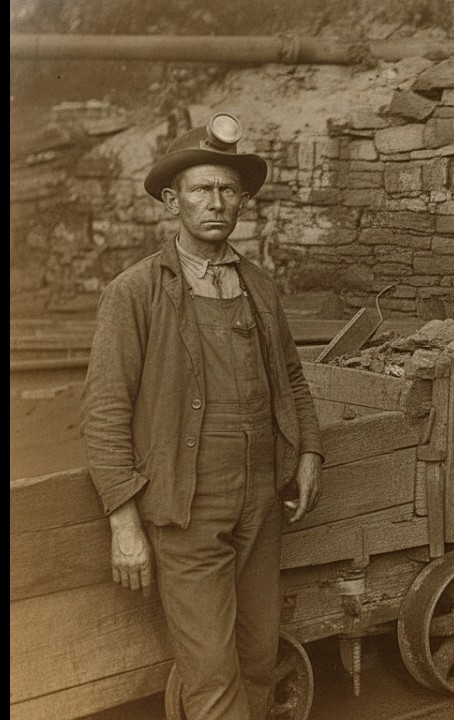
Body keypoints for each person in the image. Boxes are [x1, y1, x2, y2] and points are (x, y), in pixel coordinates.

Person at [81, 113, 323, 720]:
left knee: (259, 657)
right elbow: (105, 409)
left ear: (241, 200)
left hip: (262, 501)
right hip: (185, 506)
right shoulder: (134, 292)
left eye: (227, 190)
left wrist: (310, 451)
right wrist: (123, 521)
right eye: (200, 189)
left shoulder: (261, 286)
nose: (216, 202)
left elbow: (291, 378)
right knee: (211, 676)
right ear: (172, 201)